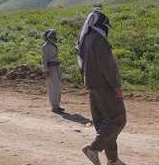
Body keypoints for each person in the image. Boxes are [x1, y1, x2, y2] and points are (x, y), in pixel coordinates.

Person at [76, 11, 127, 165]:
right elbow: (107, 67)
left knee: (105, 123)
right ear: (99, 24)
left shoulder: (87, 39)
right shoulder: (98, 40)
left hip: (93, 85)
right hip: (105, 86)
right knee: (118, 120)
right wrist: (116, 86)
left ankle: (112, 160)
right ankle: (93, 149)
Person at [41, 29, 65, 113]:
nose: (54, 37)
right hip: (51, 68)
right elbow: (44, 60)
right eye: (52, 36)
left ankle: (57, 105)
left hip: (56, 67)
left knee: (57, 87)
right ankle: (54, 107)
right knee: (53, 88)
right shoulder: (46, 46)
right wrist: (46, 70)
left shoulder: (53, 45)